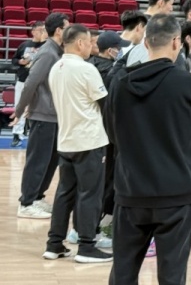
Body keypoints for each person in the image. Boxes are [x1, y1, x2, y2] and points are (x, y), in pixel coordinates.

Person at [107, 14, 191, 285]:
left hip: (131, 190)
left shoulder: (120, 84)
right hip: (176, 192)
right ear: (176, 43)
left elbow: (112, 134)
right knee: (172, 276)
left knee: (122, 273)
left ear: (146, 43)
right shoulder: (188, 83)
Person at [43, 24, 112, 263]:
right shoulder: (86, 69)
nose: (92, 46)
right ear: (80, 43)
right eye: (90, 42)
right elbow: (105, 105)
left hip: (66, 140)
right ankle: (86, 247)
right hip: (89, 141)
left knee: (65, 193)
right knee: (90, 194)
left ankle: (54, 244)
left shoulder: (56, 68)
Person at [13, 12, 70, 219]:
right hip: (42, 116)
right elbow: (30, 83)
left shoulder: (58, 51)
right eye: (67, 27)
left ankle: (37, 197)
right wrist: (19, 111)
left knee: (50, 161)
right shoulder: (47, 53)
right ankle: (26, 203)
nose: (69, 30)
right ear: (58, 30)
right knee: (38, 161)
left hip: (54, 115)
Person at [10, 21, 47, 147]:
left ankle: (39, 134)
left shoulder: (48, 46)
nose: (43, 32)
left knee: (40, 108)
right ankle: (17, 134)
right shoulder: (24, 45)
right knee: (19, 106)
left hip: (41, 82)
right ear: (33, 31)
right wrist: (21, 62)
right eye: (40, 30)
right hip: (23, 80)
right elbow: (14, 60)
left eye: (44, 30)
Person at [125, 0, 176, 67]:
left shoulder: (135, 20)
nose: (172, 8)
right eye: (171, 4)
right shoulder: (149, 25)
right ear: (161, 3)